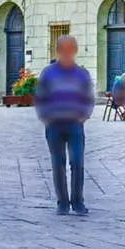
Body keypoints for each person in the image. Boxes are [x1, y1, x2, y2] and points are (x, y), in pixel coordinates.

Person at [35, 34, 95, 216]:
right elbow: (41, 97)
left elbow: (88, 98)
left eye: (70, 49)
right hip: (54, 125)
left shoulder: (82, 74)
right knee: (58, 164)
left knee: (77, 162)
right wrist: (46, 116)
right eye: (63, 49)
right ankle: (62, 203)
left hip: (75, 125)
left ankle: (78, 202)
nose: (67, 53)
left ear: (75, 51)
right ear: (57, 51)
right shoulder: (48, 73)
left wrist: (84, 115)